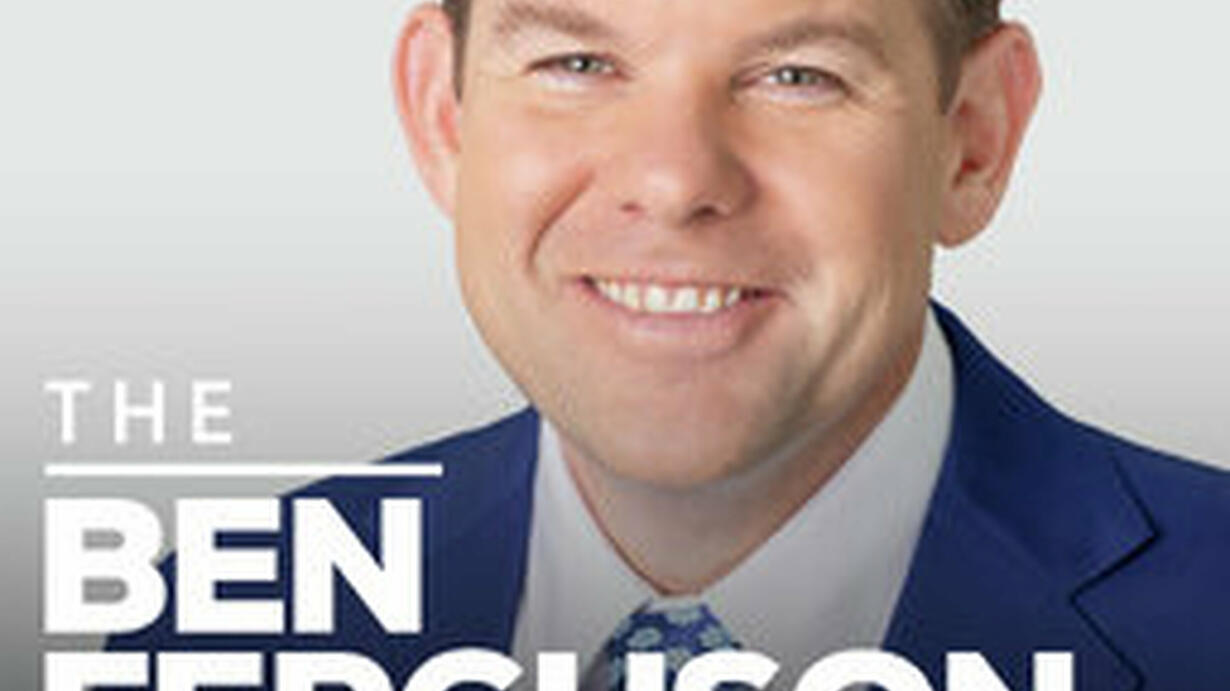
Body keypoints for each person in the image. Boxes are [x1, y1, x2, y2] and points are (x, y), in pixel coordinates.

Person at [111, 0, 1230, 688]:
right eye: (576, 63)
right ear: (444, 118)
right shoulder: (219, 630)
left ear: (973, 142)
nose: (673, 177)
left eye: (798, 76)